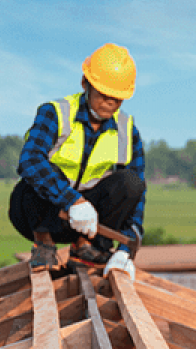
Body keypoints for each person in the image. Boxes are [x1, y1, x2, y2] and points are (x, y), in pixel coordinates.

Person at [8, 43, 147, 278]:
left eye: (118, 98)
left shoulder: (127, 130)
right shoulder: (55, 113)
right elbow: (29, 160)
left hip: (91, 226)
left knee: (131, 183)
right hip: (45, 215)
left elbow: (137, 196)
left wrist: (126, 249)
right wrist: (73, 201)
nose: (110, 103)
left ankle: (86, 249)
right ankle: (44, 246)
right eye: (104, 94)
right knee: (37, 175)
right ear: (85, 83)